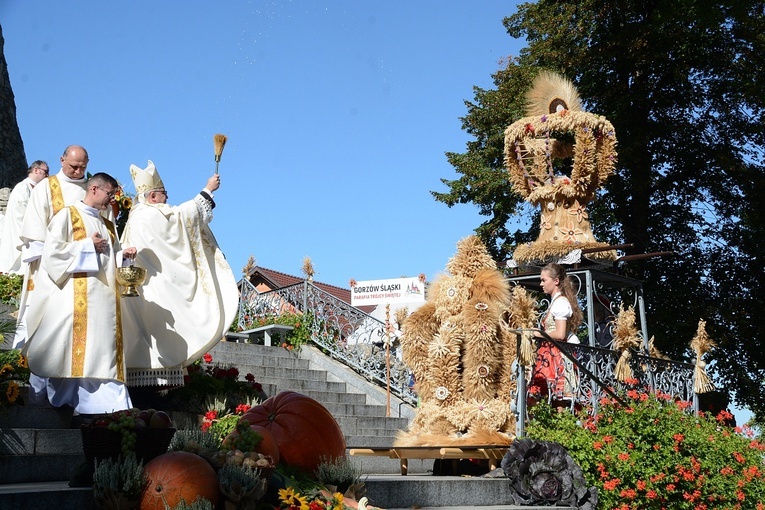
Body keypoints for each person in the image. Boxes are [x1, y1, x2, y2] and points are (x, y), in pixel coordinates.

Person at [23, 173, 137, 418]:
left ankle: (105, 407)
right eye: (109, 194)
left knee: (102, 354)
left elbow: (109, 260)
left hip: (104, 302)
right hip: (75, 299)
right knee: (71, 351)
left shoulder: (107, 225)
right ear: (94, 188)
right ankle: (72, 401)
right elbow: (52, 256)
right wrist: (86, 245)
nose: (112, 200)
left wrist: (123, 257)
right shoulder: (67, 215)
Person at [120, 160, 238, 386]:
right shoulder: (150, 214)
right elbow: (181, 219)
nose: (167, 198)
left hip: (143, 293)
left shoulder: (136, 216)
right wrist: (207, 190)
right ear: (153, 196)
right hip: (157, 292)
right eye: (164, 194)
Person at [531, 263, 583, 402]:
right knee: (549, 399)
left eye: (544, 280)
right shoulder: (556, 302)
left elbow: (560, 334)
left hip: (557, 355)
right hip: (550, 354)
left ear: (556, 281)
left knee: (558, 401)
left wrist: (538, 333)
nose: (541, 283)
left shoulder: (560, 303)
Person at [0, 160, 49, 274]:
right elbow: (21, 214)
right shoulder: (22, 188)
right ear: (36, 170)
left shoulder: (36, 189)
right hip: (22, 234)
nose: (47, 176)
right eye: (45, 172)